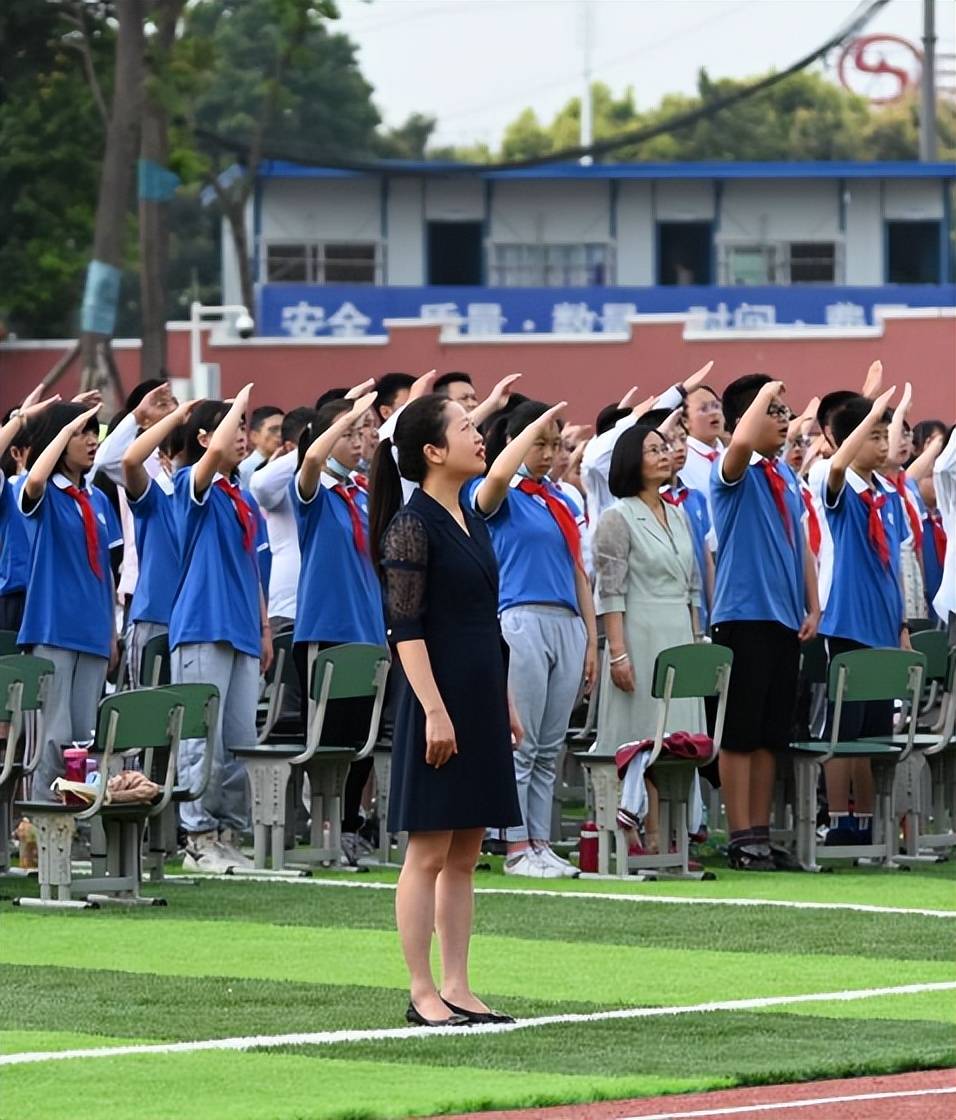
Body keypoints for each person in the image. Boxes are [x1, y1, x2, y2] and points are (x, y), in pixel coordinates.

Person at [369, 394, 529, 1027]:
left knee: (465, 852)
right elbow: (404, 628)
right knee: (428, 851)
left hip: (480, 694)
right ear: (433, 451)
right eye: (466, 428)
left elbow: (482, 622)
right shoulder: (411, 526)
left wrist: (504, 700)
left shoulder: (470, 518)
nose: (479, 435)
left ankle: (459, 985)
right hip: (437, 699)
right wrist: (435, 711)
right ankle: (421, 989)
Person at [469, 400, 598, 879]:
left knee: (550, 745)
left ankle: (540, 842)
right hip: (519, 617)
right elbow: (497, 481)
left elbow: (578, 571)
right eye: (539, 443)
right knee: (520, 743)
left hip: (566, 621)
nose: (548, 453)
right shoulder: (497, 494)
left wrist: (591, 640)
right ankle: (514, 844)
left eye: (555, 444)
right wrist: (521, 436)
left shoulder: (562, 499)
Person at [709, 375, 820, 871]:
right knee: (738, 733)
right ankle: (739, 837)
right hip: (743, 616)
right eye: (774, 411)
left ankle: (761, 834)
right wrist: (763, 395)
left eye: (785, 410)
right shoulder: (732, 470)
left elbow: (802, 547)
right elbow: (738, 443)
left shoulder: (784, 477)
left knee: (771, 734)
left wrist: (812, 605)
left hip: (782, 619)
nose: (784, 419)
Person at [169, 386, 273, 874]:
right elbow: (210, 456)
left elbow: (251, 567)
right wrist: (235, 407)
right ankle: (196, 836)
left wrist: (265, 627)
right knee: (200, 740)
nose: (243, 434)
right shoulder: (194, 482)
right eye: (235, 425)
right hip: (203, 623)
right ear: (207, 436)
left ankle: (226, 833)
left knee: (237, 740)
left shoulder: (242, 497)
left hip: (241, 630)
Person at [593, 423, 704, 851]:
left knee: (680, 738)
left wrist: (696, 639)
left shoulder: (677, 513)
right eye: (652, 449)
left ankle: (678, 834)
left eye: (665, 447)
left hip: (677, 631)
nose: (663, 454)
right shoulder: (616, 517)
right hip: (639, 634)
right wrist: (618, 653)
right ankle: (645, 829)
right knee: (644, 735)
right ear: (629, 461)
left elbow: (693, 585)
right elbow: (612, 591)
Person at [292, 393, 386, 865]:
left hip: (369, 630)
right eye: (348, 434)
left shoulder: (364, 493)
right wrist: (344, 416)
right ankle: (323, 825)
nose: (357, 441)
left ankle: (348, 825)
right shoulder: (313, 493)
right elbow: (311, 458)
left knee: (361, 741)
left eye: (360, 432)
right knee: (327, 738)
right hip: (326, 631)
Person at [17, 402, 122, 798]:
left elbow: (106, 574)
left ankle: (74, 816)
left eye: (95, 432)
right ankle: (44, 821)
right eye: (83, 433)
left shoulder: (96, 499)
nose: (92, 440)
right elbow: (34, 480)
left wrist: (111, 632)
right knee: (52, 734)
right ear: (61, 442)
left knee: (83, 738)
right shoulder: (47, 495)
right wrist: (63, 428)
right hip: (54, 629)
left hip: (93, 632)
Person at [817, 389, 904, 845]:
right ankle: (838, 821)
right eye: (875, 435)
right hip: (848, 625)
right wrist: (866, 412)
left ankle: (867, 825)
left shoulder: (886, 495)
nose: (885, 444)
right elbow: (836, 467)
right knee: (842, 734)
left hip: (884, 630)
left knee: (872, 738)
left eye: (886, 434)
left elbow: (896, 567)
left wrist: (904, 626)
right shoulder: (842, 491)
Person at [120, 399, 198, 687]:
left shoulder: (208, 500)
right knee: (150, 711)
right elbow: (129, 460)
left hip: (194, 621)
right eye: (182, 458)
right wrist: (176, 417)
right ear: (163, 460)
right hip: (155, 616)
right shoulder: (154, 497)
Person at [238, 404, 283, 486]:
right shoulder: (245, 470)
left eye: (283, 429)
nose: (280, 434)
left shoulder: (285, 465)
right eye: (273, 429)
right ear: (254, 436)